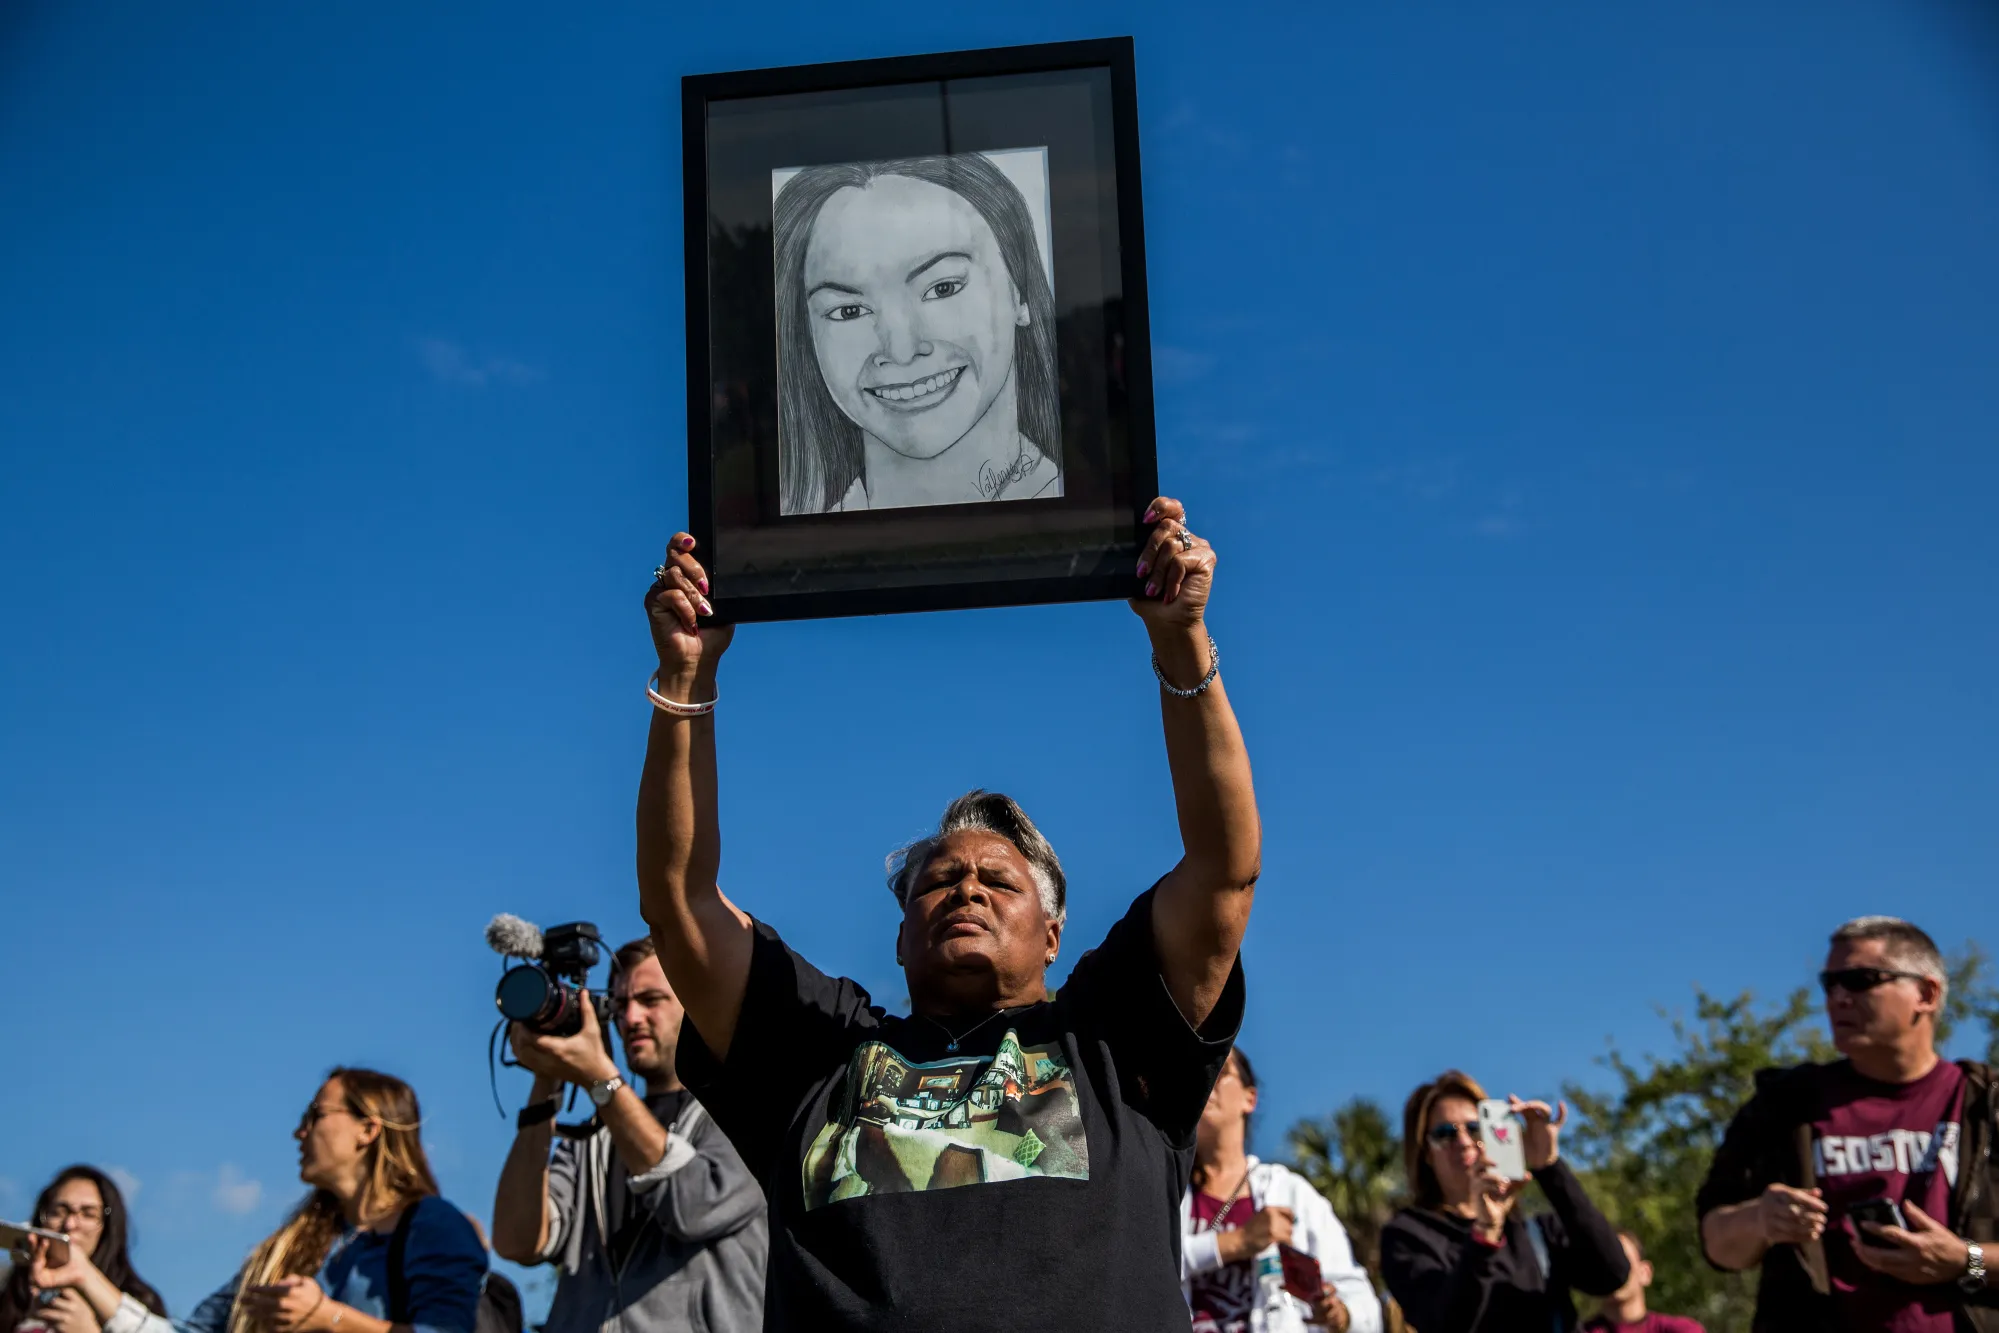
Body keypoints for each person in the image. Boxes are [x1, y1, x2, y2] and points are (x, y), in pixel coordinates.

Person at [637, 495, 1257, 1329]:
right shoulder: (823, 1055)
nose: (966, 887)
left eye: (998, 881)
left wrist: (1178, 636)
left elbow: (1222, 869)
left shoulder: (1114, 1041)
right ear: (898, 935)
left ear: (1053, 932)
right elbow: (680, 903)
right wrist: (686, 673)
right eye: (937, 879)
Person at [1696, 915, 1997, 1331]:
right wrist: (1761, 1220)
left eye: (1860, 980)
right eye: (1829, 984)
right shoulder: (1785, 1105)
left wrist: (1966, 1260)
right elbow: (1716, 1243)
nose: (1837, 998)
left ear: (1926, 994)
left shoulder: (1987, 1104)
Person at [28, 1068, 487, 1333]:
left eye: (316, 1115)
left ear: (368, 1130)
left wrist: (328, 1318)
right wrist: (84, 1276)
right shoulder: (287, 1250)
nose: (299, 1131)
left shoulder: (433, 1226)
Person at [491, 933, 766, 1333]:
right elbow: (518, 1240)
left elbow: (694, 1209)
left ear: (695, 1002)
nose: (632, 1018)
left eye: (651, 1000)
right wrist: (545, 1081)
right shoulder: (594, 1134)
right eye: (620, 1005)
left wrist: (600, 1078)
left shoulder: (747, 1110)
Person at [773, 150, 1062, 514]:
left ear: (1018, 289)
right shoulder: (778, 549)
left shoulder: (1098, 515)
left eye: (942, 288)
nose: (902, 350)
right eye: (849, 311)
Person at [1380, 1069, 1628, 1332]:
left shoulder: (1536, 1232)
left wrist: (1550, 1168)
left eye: (1474, 1128)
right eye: (1445, 1134)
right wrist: (1485, 1234)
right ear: (1426, 1154)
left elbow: (1611, 1274)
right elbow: (1445, 1323)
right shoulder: (1407, 1236)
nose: (1464, 1142)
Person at [1181, 1049, 1383, 1333]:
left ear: (1250, 1098)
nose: (1205, 1079)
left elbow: (1362, 1300)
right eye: (1195, 1073)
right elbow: (1135, 1270)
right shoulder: (1166, 1192)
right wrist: (1237, 1242)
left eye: (1220, 1071)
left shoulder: (1290, 1193)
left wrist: (1340, 1314)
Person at [1, 1167, 164, 1333]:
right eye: (58, 1212)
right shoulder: (10, 1297)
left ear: (109, 1226)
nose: (70, 1224)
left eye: (88, 1214)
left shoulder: (141, 1304)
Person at [1581, 1232, 1704, 1333]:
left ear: (1645, 1273)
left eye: (1621, 1260)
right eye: (1602, 1261)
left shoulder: (1681, 1330)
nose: (1612, 1269)